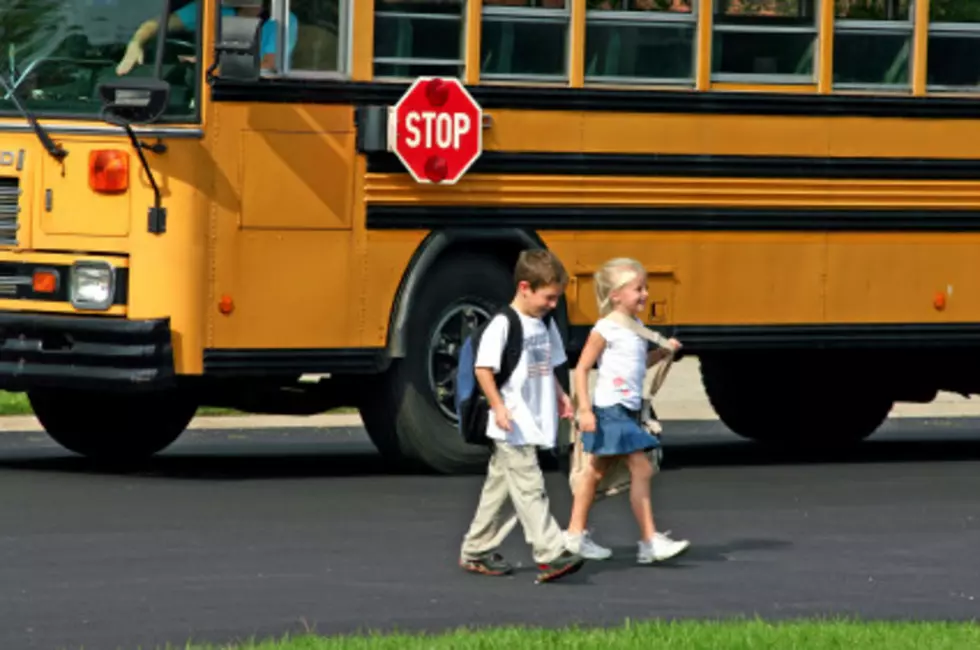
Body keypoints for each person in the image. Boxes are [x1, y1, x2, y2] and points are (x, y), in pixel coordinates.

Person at [459, 249, 585, 584]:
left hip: (534, 418)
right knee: (529, 487)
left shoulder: (544, 324)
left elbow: (549, 367)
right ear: (525, 287)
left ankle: (476, 550)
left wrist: (561, 397)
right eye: (549, 297)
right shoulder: (504, 324)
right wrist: (499, 407)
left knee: (500, 492)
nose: (553, 305)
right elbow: (484, 369)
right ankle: (550, 553)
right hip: (512, 423)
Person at [565, 257, 691, 565]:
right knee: (642, 468)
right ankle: (649, 541)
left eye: (645, 287)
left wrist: (662, 352)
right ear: (615, 295)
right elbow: (581, 369)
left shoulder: (636, 330)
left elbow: (637, 365)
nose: (645, 294)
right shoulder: (605, 328)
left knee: (594, 471)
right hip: (611, 410)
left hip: (627, 410)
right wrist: (585, 410)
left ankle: (574, 534)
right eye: (638, 289)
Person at [116, 0, 298, 76]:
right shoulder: (209, 8)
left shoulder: (282, 19)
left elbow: (269, 66)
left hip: (250, 96)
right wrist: (136, 42)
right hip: (201, 90)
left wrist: (207, 64)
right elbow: (156, 24)